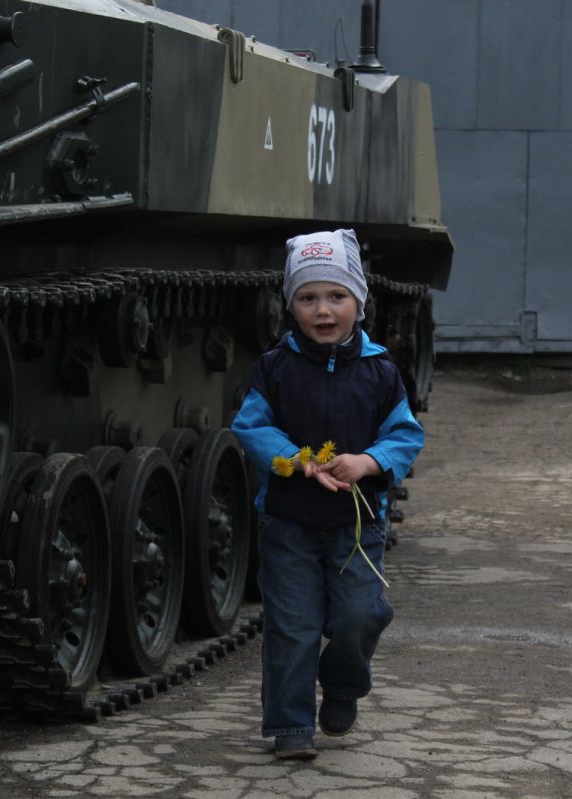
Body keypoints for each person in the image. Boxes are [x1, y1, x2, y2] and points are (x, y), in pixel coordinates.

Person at [231, 228, 424, 760]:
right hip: (288, 521)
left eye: (337, 295)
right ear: (290, 305)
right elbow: (250, 426)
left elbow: (405, 435)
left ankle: (342, 683)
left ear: (358, 301)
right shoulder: (275, 367)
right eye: (307, 297)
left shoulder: (380, 371)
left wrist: (367, 462)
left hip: (356, 525)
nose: (322, 310)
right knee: (293, 626)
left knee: (360, 615)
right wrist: (294, 458)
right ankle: (291, 725)